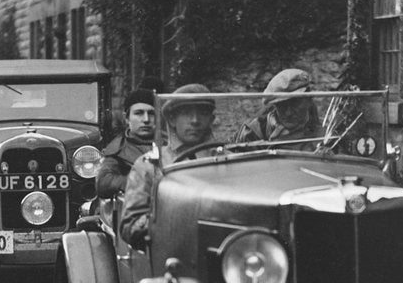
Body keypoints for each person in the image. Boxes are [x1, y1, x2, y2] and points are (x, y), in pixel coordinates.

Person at [119, 84, 215, 249]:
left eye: (203, 113)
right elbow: (130, 227)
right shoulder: (149, 164)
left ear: (212, 119)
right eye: (186, 113)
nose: (195, 121)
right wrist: (164, 218)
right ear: (172, 120)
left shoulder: (225, 159)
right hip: (171, 254)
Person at [95, 88, 156, 199]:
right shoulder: (118, 150)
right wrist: (141, 181)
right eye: (139, 113)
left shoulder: (170, 144)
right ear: (126, 118)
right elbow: (104, 183)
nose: (146, 119)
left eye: (151, 113)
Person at [236, 68, 320, 148]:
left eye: (295, 104)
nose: (288, 113)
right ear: (274, 106)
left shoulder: (326, 135)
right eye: (282, 106)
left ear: (308, 100)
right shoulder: (254, 132)